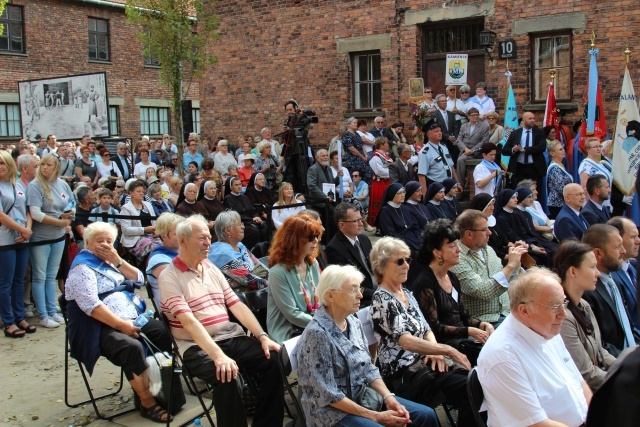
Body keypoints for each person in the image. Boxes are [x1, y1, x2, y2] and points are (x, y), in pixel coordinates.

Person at [159, 215, 284, 427]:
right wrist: (217, 355)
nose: (208, 243)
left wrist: (262, 336)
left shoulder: (210, 267)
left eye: (209, 237)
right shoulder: (169, 276)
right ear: (182, 240)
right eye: (201, 238)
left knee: (273, 359)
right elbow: (188, 322)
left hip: (230, 337)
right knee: (226, 374)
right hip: (195, 345)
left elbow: (236, 305)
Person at [296, 264, 439, 427]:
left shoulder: (353, 321)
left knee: (425, 416)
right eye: (352, 290)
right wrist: (376, 417)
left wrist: (389, 398)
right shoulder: (317, 334)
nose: (359, 295)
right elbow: (328, 395)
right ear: (330, 296)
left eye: (359, 289)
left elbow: (368, 368)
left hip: (363, 397)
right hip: (331, 413)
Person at [65, 222, 173, 423]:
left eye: (109, 241)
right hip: (97, 326)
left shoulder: (110, 261)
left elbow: (139, 279)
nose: (105, 245)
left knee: (162, 331)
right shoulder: (82, 266)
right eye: (100, 241)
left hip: (130, 315)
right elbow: (91, 305)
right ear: (87, 242)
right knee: (130, 347)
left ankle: (158, 386)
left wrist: (118, 260)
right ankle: (147, 402)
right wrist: (121, 326)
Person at [369, 237, 478, 427]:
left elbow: (426, 328)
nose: (406, 266)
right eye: (399, 261)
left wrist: (434, 351)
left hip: (425, 363)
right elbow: (406, 341)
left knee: (476, 382)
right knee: (470, 388)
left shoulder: (407, 293)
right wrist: (446, 351)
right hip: (405, 372)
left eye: (408, 260)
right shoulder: (382, 299)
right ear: (382, 265)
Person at [477, 268, 591, 427]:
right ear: (524, 310)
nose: (563, 314)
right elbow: (537, 424)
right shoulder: (502, 356)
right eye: (554, 306)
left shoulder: (547, 329)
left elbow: (579, 383)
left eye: (563, 302)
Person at [413, 219, 494, 366]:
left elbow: (463, 315)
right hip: (445, 346)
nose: (459, 250)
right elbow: (434, 327)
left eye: (458, 244)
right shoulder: (425, 282)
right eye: (452, 246)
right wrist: (469, 331)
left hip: (462, 341)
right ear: (437, 252)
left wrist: (482, 324)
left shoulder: (452, 277)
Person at [555, 240, 618, 391]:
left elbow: (601, 351)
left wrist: (627, 369)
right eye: (592, 267)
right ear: (573, 272)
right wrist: (624, 381)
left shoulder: (584, 305)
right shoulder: (564, 316)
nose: (597, 273)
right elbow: (585, 374)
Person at [450, 209, 527, 326]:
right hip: (484, 321)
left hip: (507, 312)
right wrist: (511, 265)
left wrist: (516, 262)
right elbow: (483, 292)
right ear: (469, 234)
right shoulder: (457, 258)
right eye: (485, 230)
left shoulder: (489, 250)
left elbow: (511, 281)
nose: (490, 233)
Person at [27, 154, 74, 328]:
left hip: (58, 236)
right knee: (39, 275)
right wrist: (59, 222)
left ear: (56, 168)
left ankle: (52, 309)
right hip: (41, 238)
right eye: (43, 164)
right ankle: (43, 313)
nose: (45, 167)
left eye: (49, 165)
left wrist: (69, 214)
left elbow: (71, 201)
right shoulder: (35, 185)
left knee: (51, 275)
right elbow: (36, 213)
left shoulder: (61, 183)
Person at [583, 224, 639, 356]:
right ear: (598, 253)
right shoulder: (587, 290)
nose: (624, 251)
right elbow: (598, 344)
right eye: (617, 247)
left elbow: (628, 329)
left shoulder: (614, 282)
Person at [266, 214, 322, 343]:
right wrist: (327, 323)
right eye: (310, 237)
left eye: (316, 236)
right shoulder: (278, 272)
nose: (316, 241)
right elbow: (292, 314)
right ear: (294, 239)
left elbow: (321, 300)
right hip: (287, 331)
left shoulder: (312, 264)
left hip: (313, 325)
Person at [0, 152, 34, 337]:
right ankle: (8, 321)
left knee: (19, 280)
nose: (0, 166)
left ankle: (19, 316)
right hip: (4, 239)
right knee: (5, 282)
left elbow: (28, 209)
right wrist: (22, 230)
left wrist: (26, 229)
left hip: (22, 238)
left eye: (2, 163)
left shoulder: (17, 184)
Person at [325, 203, 377, 306]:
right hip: (361, 299)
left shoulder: (364, 239)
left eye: (361, 219)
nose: (361, 224)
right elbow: (347, 285)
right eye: (355, 221)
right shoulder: (334, 248)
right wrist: (378, 294)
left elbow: (374, 267)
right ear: (342, 225)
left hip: (377, 287)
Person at [209, 211, 268, 292]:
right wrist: (272, 283)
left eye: (242, 223)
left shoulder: (240, 245)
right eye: (239, 224)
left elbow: (258, 263)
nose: (243, 227)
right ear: (228, 230)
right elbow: (247, 279)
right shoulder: (221, 253)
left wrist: (272, 275)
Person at [608, 217, 640, 330]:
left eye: (637, 236)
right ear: (618, 240)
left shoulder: (631, 268)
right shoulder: (612, 277)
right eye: (632, 237)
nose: (638, 241)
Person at [502, 111, 547, 191]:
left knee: (535, 192)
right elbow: (505, 150)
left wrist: (526, 150)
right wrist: (513, 149)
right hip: (519, 168)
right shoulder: (515, 133)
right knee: (519, 191)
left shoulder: (539, 132)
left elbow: (542, 147)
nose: (532, 120)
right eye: (530, 118)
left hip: (534, 168)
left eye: (533, 118)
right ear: (523, 121)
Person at [223, 177, 269, 250]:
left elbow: (252, 209)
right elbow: (235, 215)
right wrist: (252, 219)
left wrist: (257, 217)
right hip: (241, 223)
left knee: (265, 226)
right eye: (236, 185)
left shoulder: (244, 197)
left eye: (240, 184)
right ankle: (253, 251)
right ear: (231, 187)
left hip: (251, 221)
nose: (239, 186)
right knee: (254, 231)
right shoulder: (228, 199)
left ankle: (264, 250)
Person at [376, 183, 422, 254]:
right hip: (398, 245)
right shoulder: (385, 211)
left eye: (404, 192)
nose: (403, 195)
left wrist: (418, 239)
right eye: (399, 193)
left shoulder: (404, 208)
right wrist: (409, 243)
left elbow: (414, 226)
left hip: (413, 240)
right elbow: (391, 233)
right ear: (392, 194)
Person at [120, 180, 158, 264]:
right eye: (138, 191)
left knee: (167, 244)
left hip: (151, 235)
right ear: (131, 193)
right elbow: (126, 230)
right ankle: (149, 270)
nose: (141, 193)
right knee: (154, 247)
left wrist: (156, 230)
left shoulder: (147, 204)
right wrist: (144, 229)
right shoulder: (126, 208)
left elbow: (154, 221)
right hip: (135, 239)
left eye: (142, 191)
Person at [417, 117, 458, 193]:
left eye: (440, 131)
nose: (440, 133)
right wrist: (425, 195)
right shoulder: (425, 152)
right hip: (436, 187)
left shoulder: (444, 147)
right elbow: (421, 175)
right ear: (429, 135)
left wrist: (457, 183)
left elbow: (451, 166)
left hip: (449, 186)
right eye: (436, 131)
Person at [368, 137, 393, 225]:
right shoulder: (376, 157)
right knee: (379, 204)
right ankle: (378, 224)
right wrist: (393, 173)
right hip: (379, 184)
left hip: (387, 183)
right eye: (386, 143)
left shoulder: (386, 156)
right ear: (381, 145)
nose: (388, 145)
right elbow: (379, 172)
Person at [343, 117, 373, 183]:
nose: (356, 124)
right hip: (354, 158)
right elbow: (352, 149)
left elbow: (362, 145)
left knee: (369, 172)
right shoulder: (347, 135)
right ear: (349, 125)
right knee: (362, 172)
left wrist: (365, 155)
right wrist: (362, 157)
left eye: (356, 123)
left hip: (362, 157)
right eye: (354, 123)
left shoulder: (357, 134)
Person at [433, 94, 461, 162]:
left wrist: (454, 136)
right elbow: (435, 129)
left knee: (454, 158)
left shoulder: (450, 114)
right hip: (442, 141)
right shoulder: (435, 115)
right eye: (442, 101)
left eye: (445, 101)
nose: (444, 102)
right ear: (438, 103)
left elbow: (455, 127)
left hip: (452, 142)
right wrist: (447, 137)